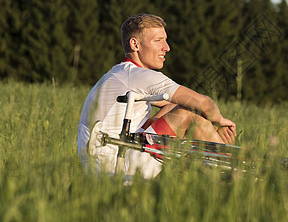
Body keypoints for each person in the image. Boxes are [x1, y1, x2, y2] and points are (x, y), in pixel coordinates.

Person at [77, 13, 236, 179]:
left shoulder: (120, 72)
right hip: (116, 162)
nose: (167, 48)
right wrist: (220, 122)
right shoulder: (137, 74)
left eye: (165, 40)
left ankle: (215, 169)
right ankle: (232, 173)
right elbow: (204, 103)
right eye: (158, 40)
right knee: (191, 112)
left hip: (103, 161)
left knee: (175, 107)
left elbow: (172, 104)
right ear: (135, 44)